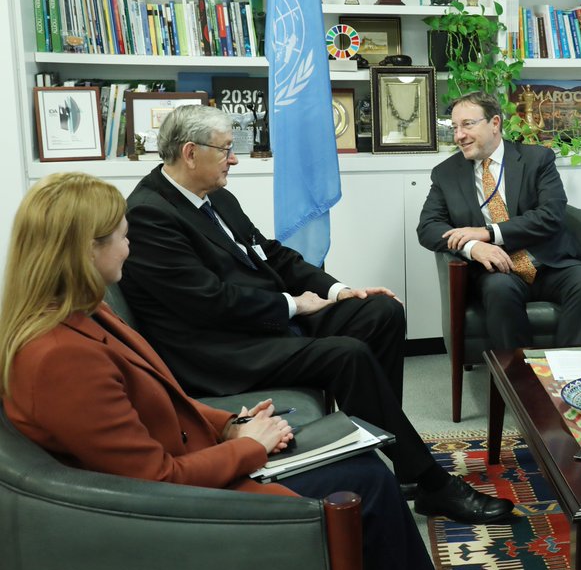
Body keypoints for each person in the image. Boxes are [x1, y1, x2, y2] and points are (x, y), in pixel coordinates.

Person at [0, 173, 468, 570]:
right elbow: (156, 482)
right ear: (86, 249)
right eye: (123, 238)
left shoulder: (83, 310)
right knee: (368, 479)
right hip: (179, 505)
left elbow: (165, 399)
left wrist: (230, 423)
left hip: (198, 455)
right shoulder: (59, 356)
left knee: (359, 455)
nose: (129, 248)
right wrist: (249, 447)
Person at [119, 105, 512, 525]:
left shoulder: (215, 196)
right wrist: (293, 304)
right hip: (219, 351)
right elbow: (208, 302)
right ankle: (433, 484)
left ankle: (388, 444)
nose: (234, 159)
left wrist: (339, 290)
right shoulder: (149, 214)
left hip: (260, 320)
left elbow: (271, 254)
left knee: (381, 311)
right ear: (190, 152)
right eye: (227, 149)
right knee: (347, 355)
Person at [417, 92, 581, 350]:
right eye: (455, 127)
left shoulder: (537, 159)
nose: (459, 136)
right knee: (499, 290)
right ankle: (520, 379)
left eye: (467, 125)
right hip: (497, 272)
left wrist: (488, 233)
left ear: (495, 123)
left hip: (548, 262)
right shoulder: (446, 174)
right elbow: (428, 228)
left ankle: (567, 370)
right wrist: (472, 247)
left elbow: (551, 214)